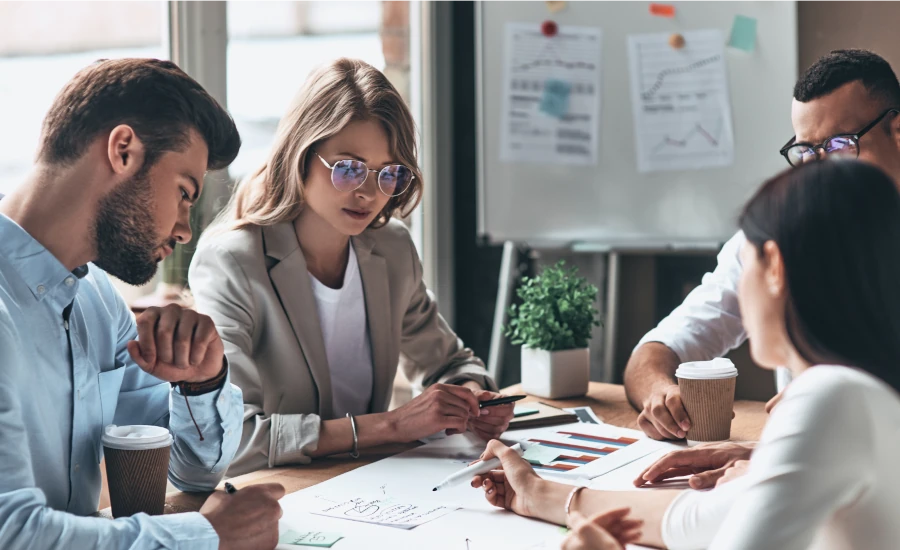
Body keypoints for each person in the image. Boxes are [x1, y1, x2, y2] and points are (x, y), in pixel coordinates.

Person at [474, 159, 900, 549]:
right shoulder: (856, 395)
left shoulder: (829, 398)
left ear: (774, 266)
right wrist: (539, 494)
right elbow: (695, 519)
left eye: (745, 262)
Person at [0, 58, 284, 550]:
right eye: (184, 193)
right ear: (123, 150)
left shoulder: (96, 303)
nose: (185, 230)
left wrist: (199, 384)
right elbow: (11, 534)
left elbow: (192, 472)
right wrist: (207, 537)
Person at [189, 58, 515, 476]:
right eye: (348, 168)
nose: (369, 193)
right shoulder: (232, 262)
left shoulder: (392, 248)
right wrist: (391, 425)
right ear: (300, 156)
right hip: (279, 490)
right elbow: (233, 437)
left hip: (374, 485)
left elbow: (449, 364)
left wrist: (470, 399)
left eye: (388, 174)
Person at [624, 48, 900, 485]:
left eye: (839, 146)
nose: (817, 171)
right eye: (806, 152)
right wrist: (659, 391)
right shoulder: (773, 238)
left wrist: (832, 410)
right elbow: (662, 346)